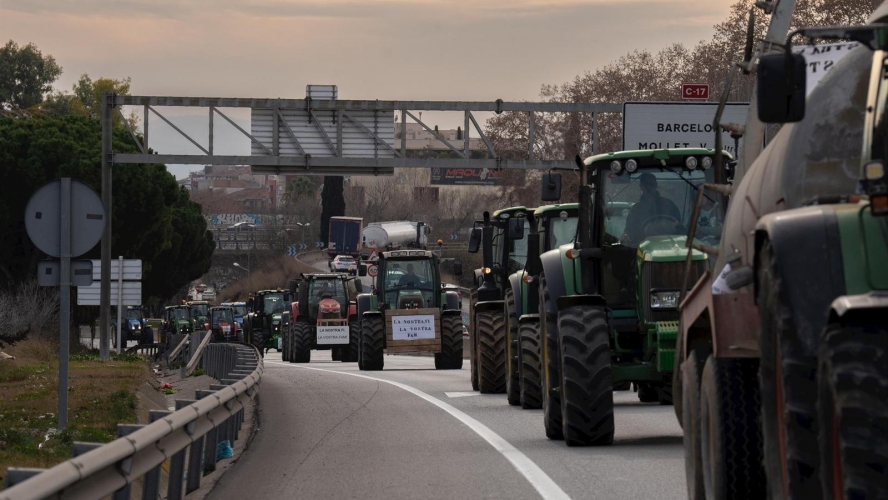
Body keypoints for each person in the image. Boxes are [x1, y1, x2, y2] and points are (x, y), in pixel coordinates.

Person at [621, 173, 681, 245]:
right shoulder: (635, 210)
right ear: (641, 187)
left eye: (651, 184)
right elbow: (630, 231)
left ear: (656, 185)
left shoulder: (669, 205)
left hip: (669, 248)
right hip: (642, 250)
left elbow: (679, 228)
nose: (649, 187)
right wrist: (627, 236)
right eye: (645, 184)